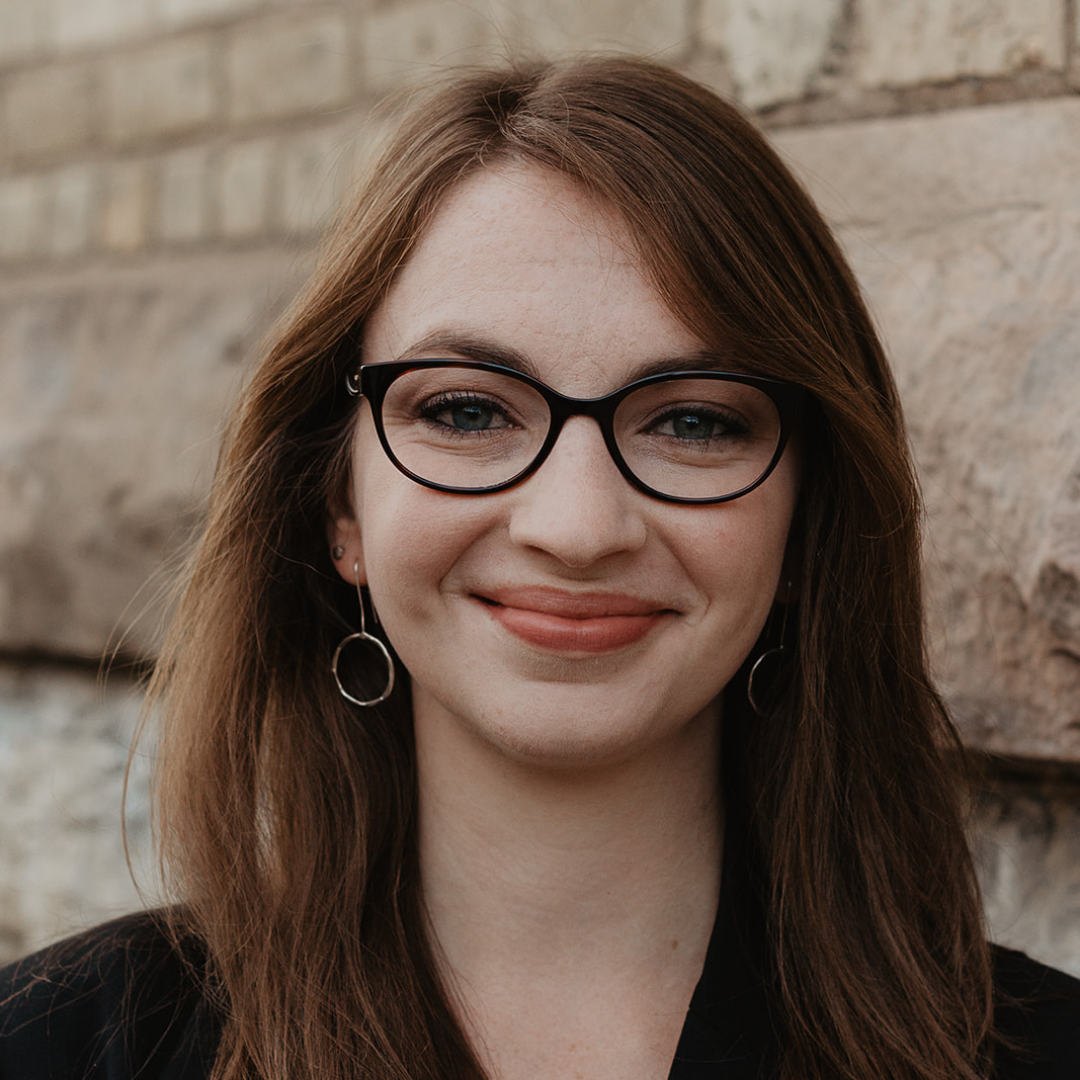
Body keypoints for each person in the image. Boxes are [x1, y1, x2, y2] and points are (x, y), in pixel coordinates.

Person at [1, 54, 1078, 1080]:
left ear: (806, 524)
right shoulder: (57, 1047)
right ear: (341, 508)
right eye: (466, 410)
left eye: (694, 423)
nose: (577, 526)